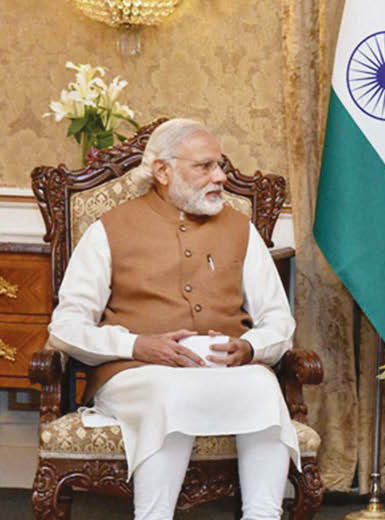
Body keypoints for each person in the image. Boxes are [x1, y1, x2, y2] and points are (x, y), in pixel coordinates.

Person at [47, 118, 298, 520]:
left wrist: (249, 347)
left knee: (265, 388)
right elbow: (65, 327)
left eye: (220, 166)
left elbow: (278, 320)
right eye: (204, 167)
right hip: (136, 374)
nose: (219, 177)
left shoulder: (240, 228)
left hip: (221, 371)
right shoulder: (108, 229)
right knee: (172, 393)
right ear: (162, 171)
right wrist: (137, 345)